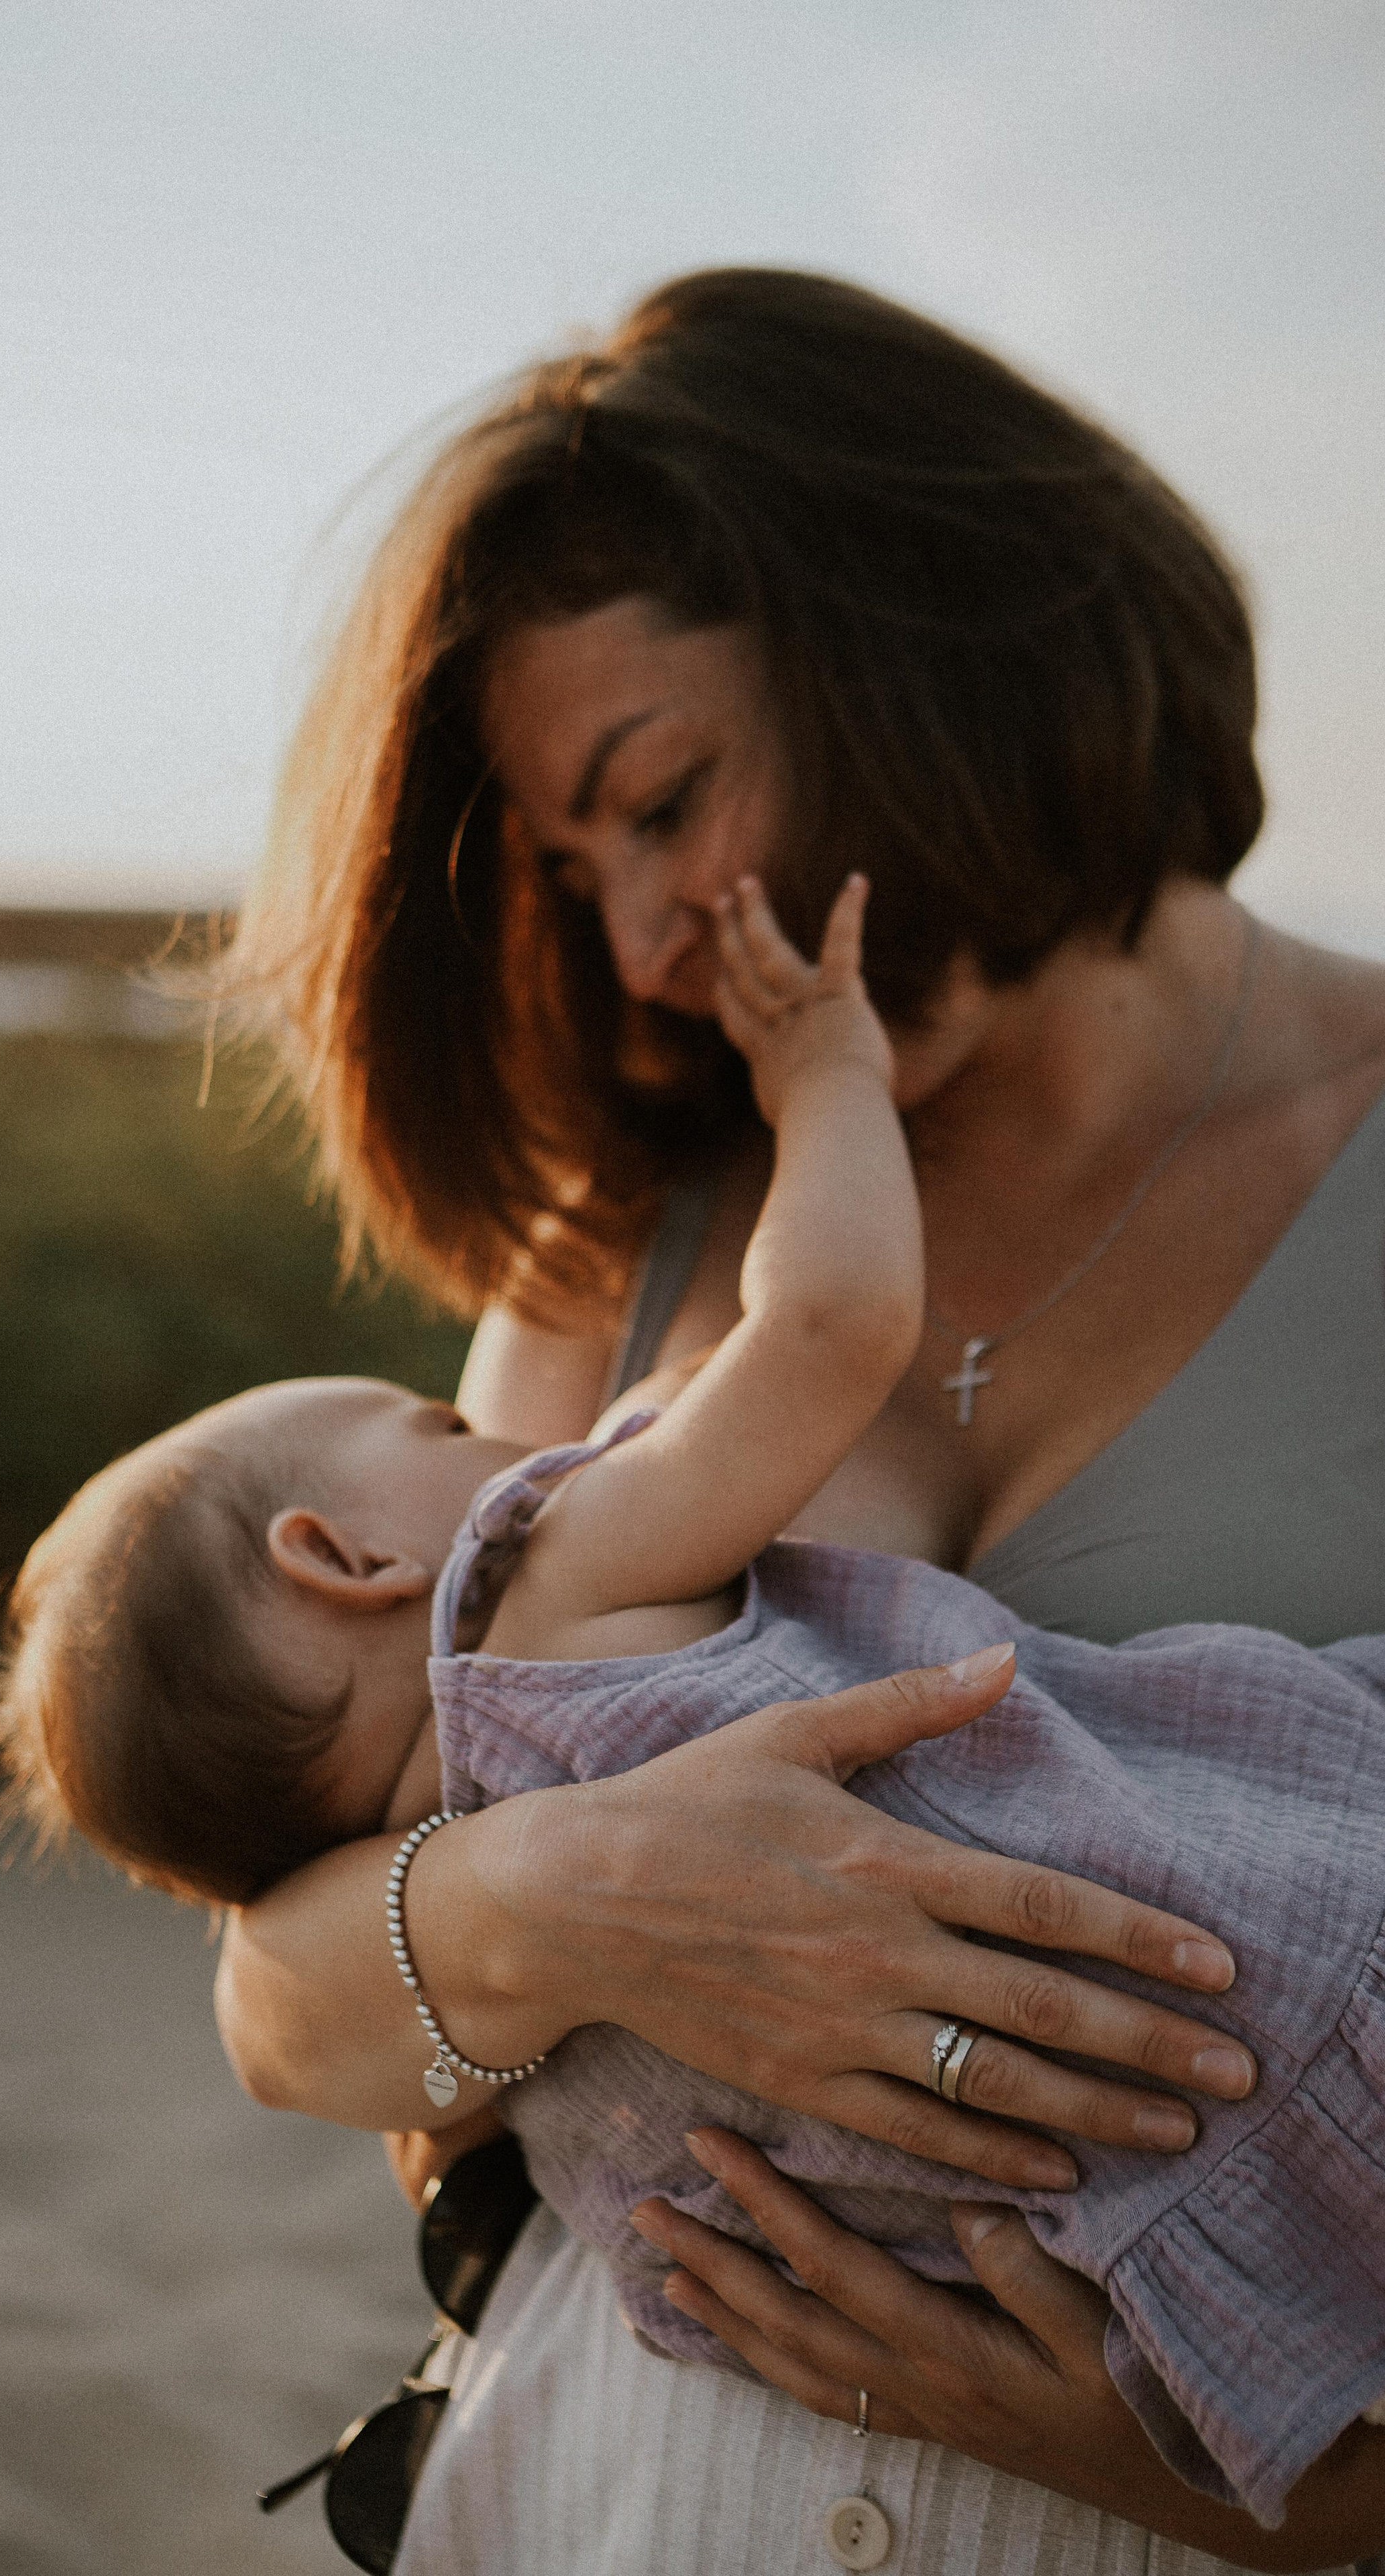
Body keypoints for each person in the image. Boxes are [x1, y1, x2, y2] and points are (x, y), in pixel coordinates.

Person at [215, 269, 1385, 2570]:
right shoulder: (630, 1237)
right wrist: (576, 1896)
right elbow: (282, 2000)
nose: (649, 944)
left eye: (666, 803)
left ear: (935, 644)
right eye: (580, 878)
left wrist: (1309, 2500)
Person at [0, 873, 1385, 2530]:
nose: (499, 1439)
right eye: (433, 1427)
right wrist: (827, 1081)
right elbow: (832, 1322)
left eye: (655, 804)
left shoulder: (508, 1978)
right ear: (340, 1557)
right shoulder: (545, 1571)